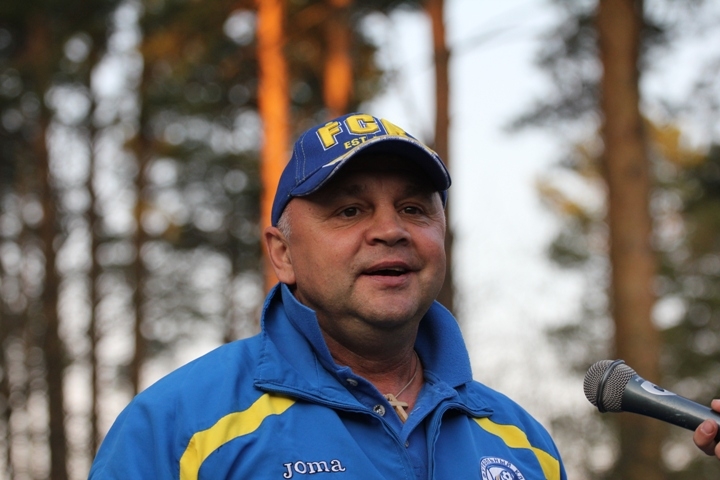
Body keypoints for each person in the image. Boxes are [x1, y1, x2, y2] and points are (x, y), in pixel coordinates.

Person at [89, 112, 567, 479]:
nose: (390, 230)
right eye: (349, 211)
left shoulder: (526, 445)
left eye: (413, 208)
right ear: (283, 254)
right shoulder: (178, 427)